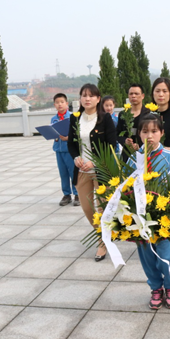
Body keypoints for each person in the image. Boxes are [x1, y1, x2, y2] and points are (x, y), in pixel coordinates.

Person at [127, 113, 170, 309]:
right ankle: (156, 288)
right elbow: (126, 188)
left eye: (154, 131)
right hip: (141, 219)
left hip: (164, 217)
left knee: (167, 256)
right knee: (147, 256)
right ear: (139, 134)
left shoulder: (169, 157)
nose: (149, 136)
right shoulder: (134, 159)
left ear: (162, 133)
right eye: (145, 131)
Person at [67, 84, 116, 261]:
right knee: (88, 208)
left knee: (103, 208)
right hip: (81, 170)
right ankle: (101, 234)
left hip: (101, 169)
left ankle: (103, 243)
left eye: (91, 95)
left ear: (98, 98)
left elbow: (111, 145)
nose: (87, 99)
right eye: (84, 95)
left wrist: (94, 161)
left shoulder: (105, 119)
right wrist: (75, 158)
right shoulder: (75, 118)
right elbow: (71, 144)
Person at [51, 93, 79, 207]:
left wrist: (69, 138)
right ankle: (66, 194)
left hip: (69, 150)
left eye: (62, 102)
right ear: (54, 105)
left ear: (67, 104)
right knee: (63, 173)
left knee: (73, 172)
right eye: (57, 103)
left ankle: (77, 194)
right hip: (59, 150)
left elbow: (77, 133)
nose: (60, 104)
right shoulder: (54, 119)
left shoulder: (72, 117)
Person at [117, 84, 151, 160]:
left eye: (136, 94)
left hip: (145, 154)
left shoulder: (148, 114)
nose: (133, 96)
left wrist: (140, 145)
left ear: (142, 96)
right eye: (131, 94)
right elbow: (118, 134)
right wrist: (125, 141)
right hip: (127, 155)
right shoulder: (123, 114)